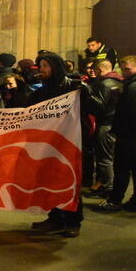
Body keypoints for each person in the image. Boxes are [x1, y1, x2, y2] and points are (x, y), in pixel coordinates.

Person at [24, 53, 87, 237]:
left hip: (69, 142)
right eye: (40, 65)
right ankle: (55, 218)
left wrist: (85, 93)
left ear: (56, 67)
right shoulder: (40, 92)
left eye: (45, 65)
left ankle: (73, 221)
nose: (41, 69)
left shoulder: (72, 87)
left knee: (68, 180)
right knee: (49, 181)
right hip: (47, 144)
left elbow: (98, 108)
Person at [97, 55, 136, 214]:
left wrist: (120, 131)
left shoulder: (134, 87)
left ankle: (115, 200)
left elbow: (127, 113)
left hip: (130, 135)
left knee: (122, 169)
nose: (124, 72)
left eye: (128, 69)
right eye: (123, 69)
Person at [83, 58, 122, 200]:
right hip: (115, 123)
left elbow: (101, 107)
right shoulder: (119, 81)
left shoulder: (104, 84)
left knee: (104, 159)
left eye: (95, 70)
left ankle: (107, 189)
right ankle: (107, 187)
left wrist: (87, 94)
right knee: (110, 158)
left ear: (100, 70)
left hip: (106, 124)